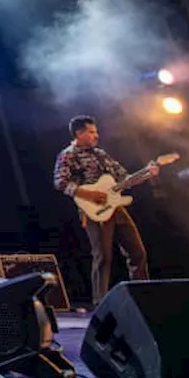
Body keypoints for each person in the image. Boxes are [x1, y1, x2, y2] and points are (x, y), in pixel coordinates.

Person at [53, 115, 156, 304]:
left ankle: (142, 295)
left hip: (115, 207)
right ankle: (100, 302)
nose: (96, 135)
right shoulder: (68, 154)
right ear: (79, 133)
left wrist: (146, 173)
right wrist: (88, 195)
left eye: (96, 131)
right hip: (94, 211)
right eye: (91, 132)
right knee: (103, 256)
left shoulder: (101, 154)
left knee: (137, 251)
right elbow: (60, 182)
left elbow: (125, 177)